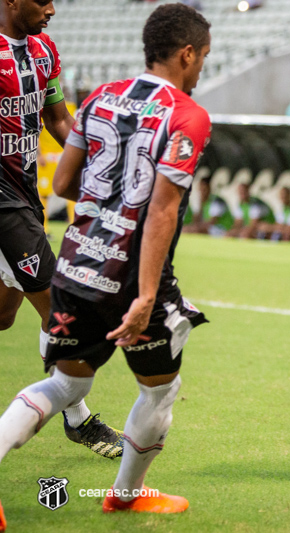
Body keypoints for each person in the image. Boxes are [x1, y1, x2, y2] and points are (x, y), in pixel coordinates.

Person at [0, 3, 213, 523]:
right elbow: (162, 207)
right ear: (186, 54)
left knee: (67, 384)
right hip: (135, 274)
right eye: (203, 57)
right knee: (161, 388)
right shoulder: (188, 115)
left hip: (77, 264)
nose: (202, 66)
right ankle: (125, 492)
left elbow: (65, 184)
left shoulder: (100, 98)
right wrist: (145, 295)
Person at [0, 0, 123, 458]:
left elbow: (58, 120)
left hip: (25, 194)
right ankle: (78, 419)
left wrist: (98, 172)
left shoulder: (44, 50)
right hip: (2, 202)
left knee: (4, 316)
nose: (53, 9)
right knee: (61, 305)